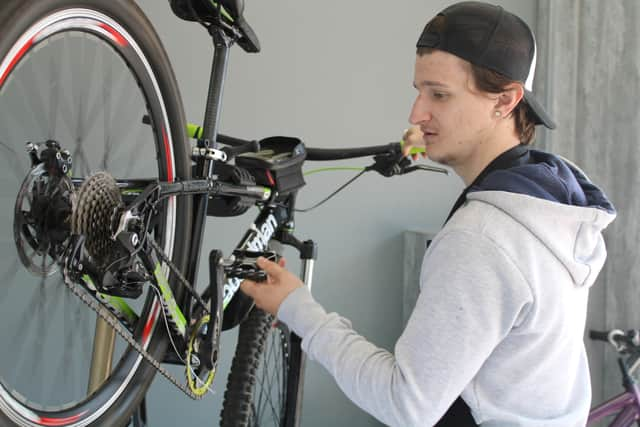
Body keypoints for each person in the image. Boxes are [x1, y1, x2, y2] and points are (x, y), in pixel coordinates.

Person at [241, 2, 616, 426]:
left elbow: (406, 405)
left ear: (506, 100)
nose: (416, 114)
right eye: (419, 91)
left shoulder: (483, 237)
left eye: (439, 94)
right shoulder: (549, 202)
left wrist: (298, 309)